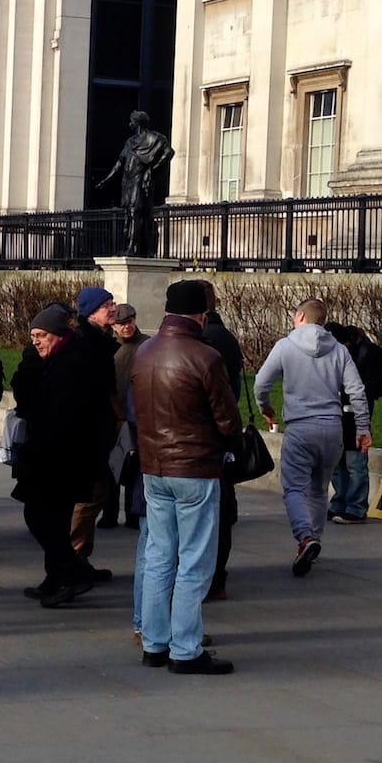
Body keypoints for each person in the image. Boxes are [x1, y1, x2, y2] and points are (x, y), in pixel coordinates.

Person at [130, 280, 242, 674]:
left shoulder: (143, 352)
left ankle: (155, 642)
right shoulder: (205, 357)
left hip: (154, 465)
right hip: (194, 466)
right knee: (194, 559)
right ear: (201, 314)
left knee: (160, 554)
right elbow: (228, 419)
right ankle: (185, 648)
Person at [254, 299, 371, 576]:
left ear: (301, 316)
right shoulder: (340, 351)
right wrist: (363, 428)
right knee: (319, 489)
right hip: (332, 428)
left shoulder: (285, 346)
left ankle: (305, 537)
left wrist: (265, 407)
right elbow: (357, 391)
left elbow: (261, 382)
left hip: (300, 426)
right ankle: (313, 541)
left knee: (294, 488)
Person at [12, 304, 110, 608]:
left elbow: (64, 416)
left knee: (42, 516)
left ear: (57, 334)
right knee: (49, 517)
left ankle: (72, 572)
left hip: (64, 458)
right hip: (55, 456)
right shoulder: (56, 359)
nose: (36, 341)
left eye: (41, 335)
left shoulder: (73, 364)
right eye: (32, 336)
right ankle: (58, 575)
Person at [195, 280, 244, 601]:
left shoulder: (200, 342)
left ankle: (206, 578)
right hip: (222, 437)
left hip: (197, 439)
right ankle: (218, 576)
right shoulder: (227, 338)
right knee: (222, 512)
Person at [69, 286, 121, 578]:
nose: (112, 309)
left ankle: (79, 557)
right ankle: (73, 556)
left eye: (112, 304)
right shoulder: (86, 344)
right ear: (91, 312)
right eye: (106, 306)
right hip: (88, 431)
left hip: (98, 428)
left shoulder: (99, 339)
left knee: (96, 493)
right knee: (90, 494)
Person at [325, 322, 382, 525]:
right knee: (338, 462)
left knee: (354, 462)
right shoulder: (345, 349)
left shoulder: (367, 354)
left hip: (355, 413)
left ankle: (355, 507)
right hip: (339, 413)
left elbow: (367, 390)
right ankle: (340, 503)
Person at [95, 110, 175, 257]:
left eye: (131, 121)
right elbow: (120, 163)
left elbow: (168, 152)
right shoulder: (130, 142)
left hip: (140, 179)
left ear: (137, 123)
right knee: (129, 214)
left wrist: (152, 169)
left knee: (136, 213)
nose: (129, 124)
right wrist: (107, 179)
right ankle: (130, 246)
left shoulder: (155, 138)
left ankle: (134, 247)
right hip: (127, 181)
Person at [110, 302, 146, 530]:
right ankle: (109, 513)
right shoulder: (110, 348)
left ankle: (134, 512)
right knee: (113, 464)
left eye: (129, 321)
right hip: (114, 413)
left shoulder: (146, 345)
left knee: (136, 466)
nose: (126, 327)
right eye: (121, 323)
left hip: (138, 414)